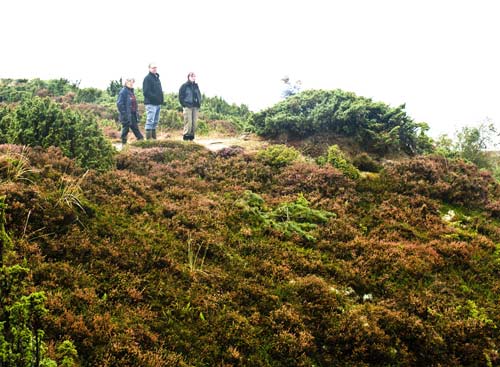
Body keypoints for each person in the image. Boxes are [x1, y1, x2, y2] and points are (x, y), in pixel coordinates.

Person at [116, 78, 144, 144]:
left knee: (136, 130)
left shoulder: (131, 91)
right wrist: (124, 114)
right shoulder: (123, 91)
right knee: (125, 130)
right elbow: (119, 104)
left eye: (132, 82)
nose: (131, 84)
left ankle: (142, 143)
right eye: (129, 82)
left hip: (133, 114)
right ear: (126, 83)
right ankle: (123, 146)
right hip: (127, 115)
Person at [142, 63, 164, 140]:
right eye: (153, 68)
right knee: (150, 120)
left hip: (157, 104)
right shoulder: (147, 78)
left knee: (155, 121)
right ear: (149, 68)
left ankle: (154, 139)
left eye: (155, 67)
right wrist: (155, 98)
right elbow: (146, 92)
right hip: (151, 103)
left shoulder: (157, 78)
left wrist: (161, 100)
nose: (154, 69)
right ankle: (148, 140)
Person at [178, 72, 202, 141]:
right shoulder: (184, 86)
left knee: (194, 123)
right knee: (188, 122)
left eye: (194, 76)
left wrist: (199, 103)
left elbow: (199, 95)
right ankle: (186, 137)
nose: (193, 77)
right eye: (192, 76)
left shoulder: (196, 86)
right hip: (187, 106)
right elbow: (180, 96)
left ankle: (191, 137)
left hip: (195, 106)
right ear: (188, 77)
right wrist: (184, 104)